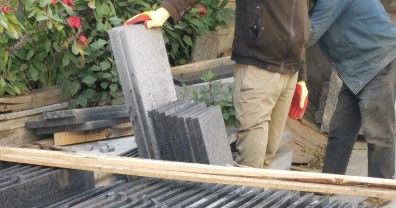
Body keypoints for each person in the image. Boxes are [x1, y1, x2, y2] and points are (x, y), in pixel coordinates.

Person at [126, 1, 309, 168]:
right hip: (258, 68)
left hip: (290, 72)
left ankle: (256, 193)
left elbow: (300, 18)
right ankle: (241, 193)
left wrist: (301, 76)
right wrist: (165, 11)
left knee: (268, 157)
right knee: (251, 163)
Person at [308, 0, 396, 179]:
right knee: (340, 131)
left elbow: (309, 33)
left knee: (378, 135)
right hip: (356, 71)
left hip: (377, 62)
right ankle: (328, 184)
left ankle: (379, 189)